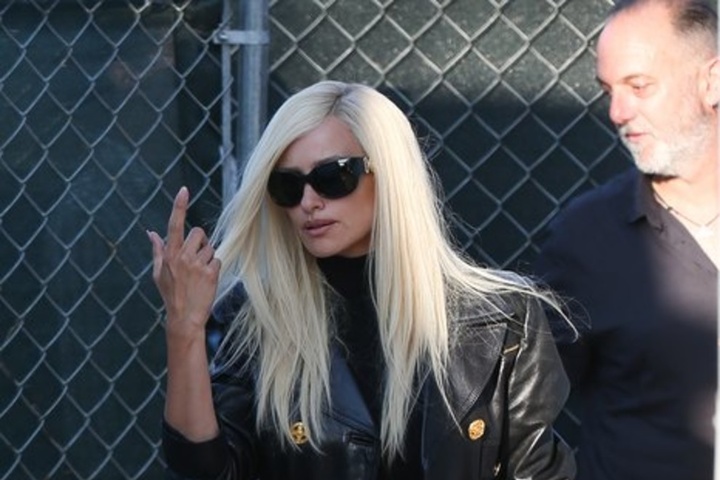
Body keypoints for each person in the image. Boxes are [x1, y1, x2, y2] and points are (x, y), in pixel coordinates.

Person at [148, 80, 575, 479]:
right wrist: (184, 329)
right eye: (288, 186)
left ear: (388, 174)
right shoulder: (254, 317)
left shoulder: (501, 320)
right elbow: (208, 470)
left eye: (333, 176)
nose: (309, 202)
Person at [532, 1, 718, 479]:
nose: (617, 112)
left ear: (712, 81)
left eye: (639, 86)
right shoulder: (584, 240)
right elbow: (519, 411)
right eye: (608, 91)